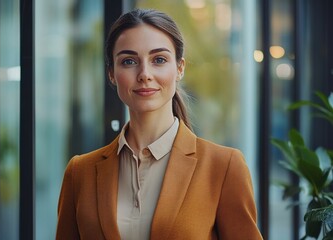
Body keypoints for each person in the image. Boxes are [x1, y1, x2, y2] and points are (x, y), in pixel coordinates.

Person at [56, 8, 263, 240]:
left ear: (180, 68)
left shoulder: (224, 167)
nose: (144, 74)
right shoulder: (80, 173)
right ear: (111, 74)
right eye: (129, 61)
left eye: (159, 60)